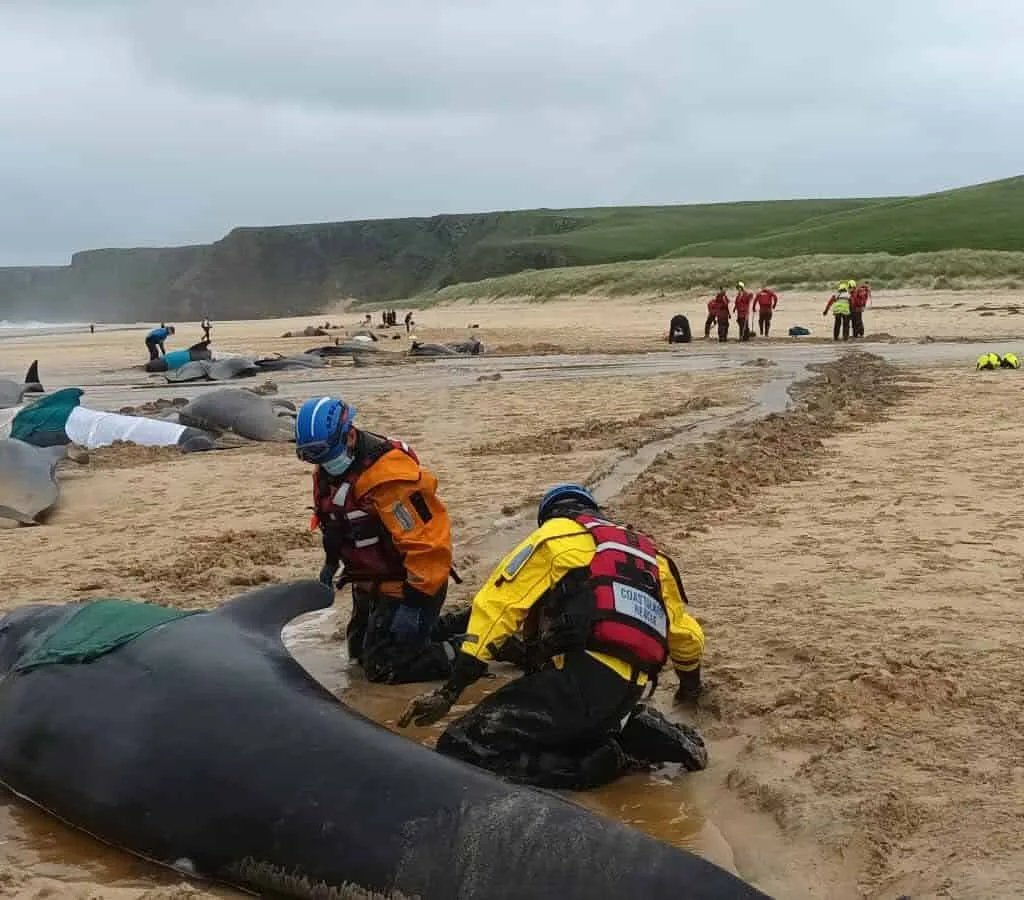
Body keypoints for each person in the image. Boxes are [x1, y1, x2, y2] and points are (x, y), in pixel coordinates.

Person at [399, 483, 707, 791]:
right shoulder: (653, 557)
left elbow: (497, 606)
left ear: (549, 516)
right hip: (629, 688)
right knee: (567, 726)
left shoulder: (555, 535)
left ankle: (611, 758)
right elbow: (686, 635)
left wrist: (451, 691)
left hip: (580, 681)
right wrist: (690, 688)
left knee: (462, 745)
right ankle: (628, 728)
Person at [295, 396, 461, 684]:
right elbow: (334, 524)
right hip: (370, 581)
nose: (318, 461)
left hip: (411, 582)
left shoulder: (389, 479)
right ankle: (450, 627)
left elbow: (428, 545)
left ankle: (475, 650)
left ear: (349, 436)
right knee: (358, 656)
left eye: (322, 452)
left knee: (385, 667)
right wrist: (330, 564)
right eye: (309, 455)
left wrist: (414, 602)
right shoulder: (327, 470)